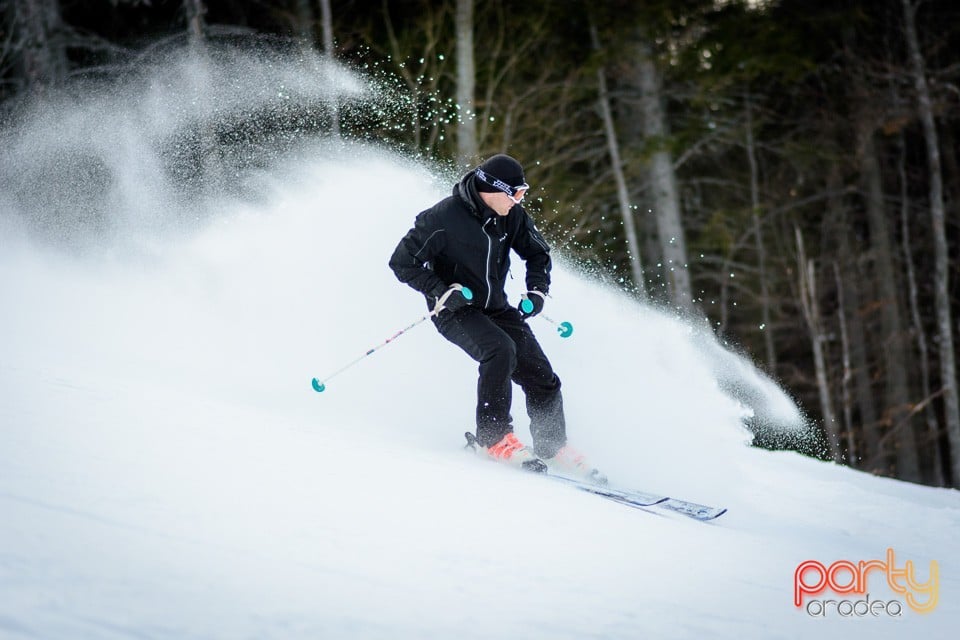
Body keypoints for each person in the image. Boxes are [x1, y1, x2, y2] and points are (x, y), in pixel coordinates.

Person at [389, 154, 602, 482]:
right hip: (454, 310)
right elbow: (402, 262)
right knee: (499, 351)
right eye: (515, 193)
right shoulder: (443, 218)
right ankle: (494, 437)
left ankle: (552, 445)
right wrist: (442, 290)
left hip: (496, 307)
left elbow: (537, 253)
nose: (519, 201)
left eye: (522, 194)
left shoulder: (511, 216)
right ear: (493, 190)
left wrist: (537, 292)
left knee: (541, 374)